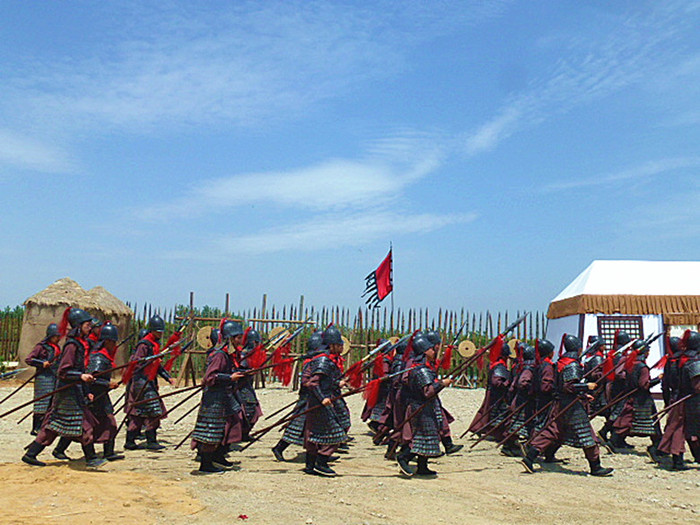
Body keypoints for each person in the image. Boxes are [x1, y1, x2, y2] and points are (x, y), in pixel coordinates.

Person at [22, 307, 106, 468]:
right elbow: (63, 371)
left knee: (54, 426)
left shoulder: (80, 344)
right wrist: (80, 376)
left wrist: (86, 388)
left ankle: (31, 454)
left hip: (75, 390)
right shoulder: (72, 345)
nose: (90, 326)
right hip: (68, 392)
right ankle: (92, 459)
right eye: (87, 324)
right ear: (78, 326)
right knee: (84, 424)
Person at [522, 335, 613, 476]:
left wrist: (583, 394)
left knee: (552, 432)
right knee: (587, 435)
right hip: (572, 406)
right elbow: (568, 386)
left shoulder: (561, 362)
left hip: (560, 403)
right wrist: (585, 386)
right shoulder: (572, 364)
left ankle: (529, 458)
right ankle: (596, 467)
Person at [191, 319, 246, 474]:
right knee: (212, 430)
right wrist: (229, 378)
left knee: (229, 425)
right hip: (214, 399)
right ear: (230, 338)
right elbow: (210, 377)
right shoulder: (220, 355)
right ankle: (206, 465)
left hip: (224, 397)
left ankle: (218, 456)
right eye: (237, 337)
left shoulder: (227, 355)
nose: (240, 340)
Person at [395, 335, 452, 477]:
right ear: (425, 351)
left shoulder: (424, 368)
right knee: (420, 436)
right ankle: (404, 457)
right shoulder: (421, 370)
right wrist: (441, 384)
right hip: (419, 408)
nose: (434, 352)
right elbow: (427, 392)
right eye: (432, 349)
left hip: (427, 407)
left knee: (429, 436)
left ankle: (422, 466)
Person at [301, 326, 348, 476]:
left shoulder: (329, 360)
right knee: (336, 434)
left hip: (321, 402)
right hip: (319, 404)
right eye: (339, 345)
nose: (342, 347)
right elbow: (314, 384)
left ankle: (310, 466)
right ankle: (321, 463)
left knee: (315, 434)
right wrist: (323, 399)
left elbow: (327, 382)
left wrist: (337, 384)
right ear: (332, 345)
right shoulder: (323, 361)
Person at [124, 315, 175, 451]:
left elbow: (157, 366)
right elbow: (137, 362)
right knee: (153, 411)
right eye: (158, 331)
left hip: (149, 381)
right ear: (152, 330)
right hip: (142, 381)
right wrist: (152, 358)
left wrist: (167, 377)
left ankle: (132, 441)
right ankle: (149, 440)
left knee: (140, 412)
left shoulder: (154, 344)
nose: (160, 334)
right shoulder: (144, 344)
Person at [272, 331, 324, 461]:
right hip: (307, 399)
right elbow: (305, 382)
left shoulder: (315, 361)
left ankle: (321, 454)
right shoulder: (309, 362)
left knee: (317, 428)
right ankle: (279, 448)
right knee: (296, 426)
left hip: (314, 398)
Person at [611, 339, 662, 460]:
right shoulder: (642, 367)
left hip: (633, 397)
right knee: (652, 424)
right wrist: (657, 379)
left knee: (628, 420)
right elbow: (644, 385)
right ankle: (656, 447)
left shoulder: (631, 364)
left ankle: (615, 439)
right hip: (643, 399)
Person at [86, 323, 124, 461]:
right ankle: (60, 449)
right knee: (90, 427)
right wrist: (107, 383)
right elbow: (91, 379)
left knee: (110, 423)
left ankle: (109, 452)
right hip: (94, 397)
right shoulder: (98, 358)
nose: (114, 345)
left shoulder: (104, 356)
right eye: (113, 342)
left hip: (102, 396)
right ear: (106, 341)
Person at [466, 340, 511, 438]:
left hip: (493, 393)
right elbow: (497, 382)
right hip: (496, 394)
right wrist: (507, 384)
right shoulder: (499, 366)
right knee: (492, 412)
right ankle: (486, 430)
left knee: (486, 411)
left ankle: (478, 428)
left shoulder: (496, 364)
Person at [25, 323, 61, 435]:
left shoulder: (57, 347)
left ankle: (47, 426)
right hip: (43, 378)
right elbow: (29, 359)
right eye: (56, 336)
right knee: (42, 402)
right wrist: (42, 363)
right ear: (50, 336)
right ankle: (36, 427)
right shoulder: (41, 347)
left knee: (52, 402)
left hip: (54, 376)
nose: (58, 338)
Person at [235, 329, 263, 440]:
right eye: (256, 342)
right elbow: (239, 370)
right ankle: (241, 434)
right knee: (249, 411)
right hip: (241, 388)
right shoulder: (244, 354)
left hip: (248, 386)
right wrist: (248, 372)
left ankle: (244, 434)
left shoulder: (252, 354)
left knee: (254, 411)